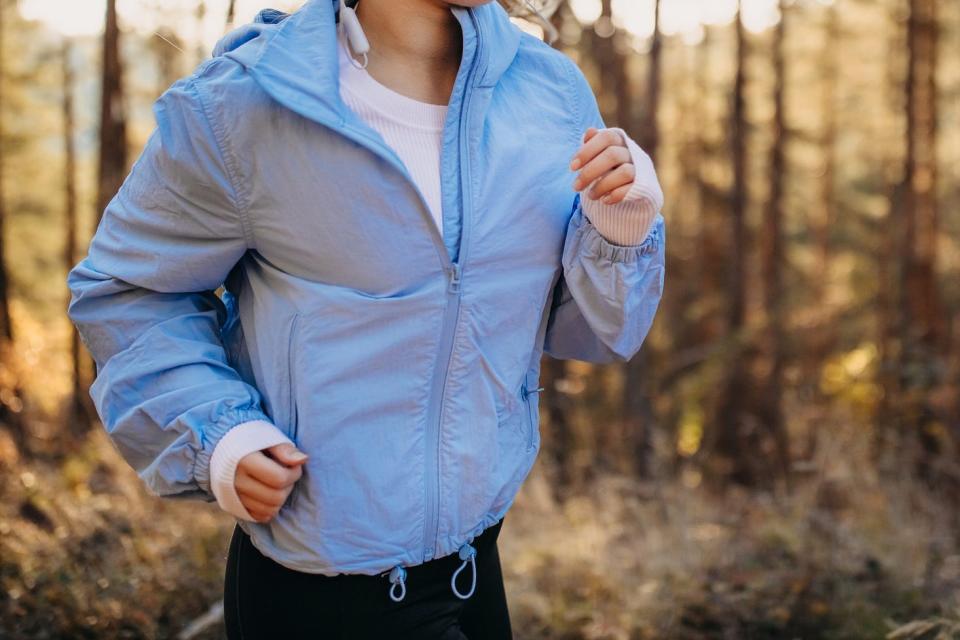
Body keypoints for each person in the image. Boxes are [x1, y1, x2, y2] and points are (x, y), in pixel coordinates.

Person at [67, 0, 666, 637]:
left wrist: (620, 231)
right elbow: (127, 290)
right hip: (316, 595)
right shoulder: (245, 105)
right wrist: (219, 434)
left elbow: (589, 330)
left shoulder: (551, 92)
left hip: (475, 566)